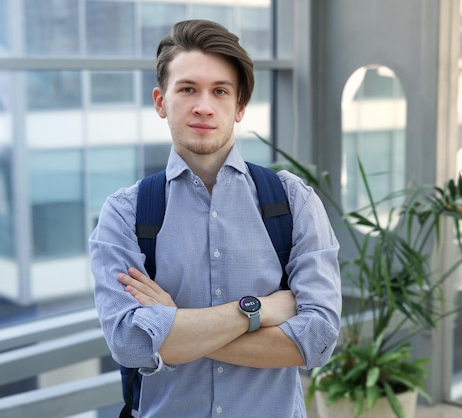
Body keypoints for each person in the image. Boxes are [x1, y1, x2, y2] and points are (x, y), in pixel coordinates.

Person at [89, 19, 342, 418]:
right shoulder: (125, 213)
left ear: (240, 106)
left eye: (220, 91)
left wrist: (174, 328)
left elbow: (318, 340)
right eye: (187, 89)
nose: (203, 106)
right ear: (160, 101)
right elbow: (131, 343)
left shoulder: (293, 201)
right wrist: (257, 310)